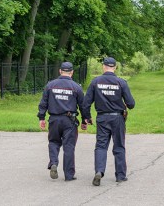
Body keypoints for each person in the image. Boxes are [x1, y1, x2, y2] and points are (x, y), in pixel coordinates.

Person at [83, 57, 135, 186]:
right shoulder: (121, 82)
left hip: (102, 117)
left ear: (103, 66)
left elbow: (86, 103)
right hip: (117, 118)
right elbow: (131, 103)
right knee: (119, 146)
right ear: (115, 67)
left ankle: (99, 171)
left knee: (101, 146)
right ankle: (120, 176)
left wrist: (87, 117)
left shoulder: (95, 82)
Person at [37, 62, 86, 181]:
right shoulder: (76, 87)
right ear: (72, 72)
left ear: (60, 71)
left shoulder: (50, 85)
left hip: (54, 119)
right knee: (69, 146)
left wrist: (42, 118)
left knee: (53, 142)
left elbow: (43, 103)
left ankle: (53, 163)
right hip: (69, 120)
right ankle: (69, 175)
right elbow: (83, 105)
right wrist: (85, 120)